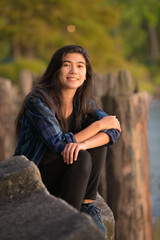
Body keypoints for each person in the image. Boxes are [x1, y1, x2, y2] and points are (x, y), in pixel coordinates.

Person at [14, 45, 121, 236]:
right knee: (81, 157)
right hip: (35, 175)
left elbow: (113, 131)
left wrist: (84, 143)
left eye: (80, 66)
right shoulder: (38, 101)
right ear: (56, 70)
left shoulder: (83, 101)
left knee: (96, 145)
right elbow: (59, 145)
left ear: (86, 74)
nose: (74, 71)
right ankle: (68, 223)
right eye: (67, 65)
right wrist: (97, 126)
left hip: (63, 171)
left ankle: (86, 205)